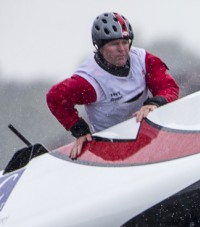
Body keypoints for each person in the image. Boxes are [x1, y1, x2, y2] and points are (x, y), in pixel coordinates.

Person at [47, 13, 179, 160]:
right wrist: (79, 130)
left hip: (149, 136)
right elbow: (55, 97)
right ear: (100, 47)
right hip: (112, 150)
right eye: (115, 44)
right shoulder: (89, 81)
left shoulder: (143, 60)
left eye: (125, 42)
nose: (122, 49)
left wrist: (155, 103)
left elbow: (169, 88)